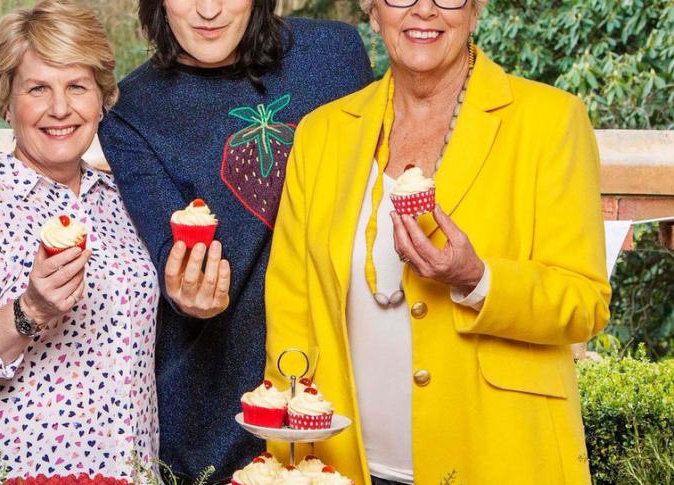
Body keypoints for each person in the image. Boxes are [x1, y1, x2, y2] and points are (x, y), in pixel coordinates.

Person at [265, 0, 612, 483]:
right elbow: (291, 311)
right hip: (341, 465)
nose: (424, 10)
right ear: (372, 11)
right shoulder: (321, 134)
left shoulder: (551, 121)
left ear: (476, 10)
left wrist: (477, 279)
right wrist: (285, 456)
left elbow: (585, 302)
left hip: (499, 459)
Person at [98, 0, 371, 481]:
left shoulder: (335, 54)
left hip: (343, 389)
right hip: (214, 415)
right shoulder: (131, 110)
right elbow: (169, 247)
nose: (208, 10)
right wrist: (189, 293)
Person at [0, 0, 158, 480]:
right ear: (7, 101)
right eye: (37, 88)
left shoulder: (123, 200)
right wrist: (31, 311)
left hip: (123, 469)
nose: (60, 108)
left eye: (76, 86)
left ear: (102, 97)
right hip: (10, 470)